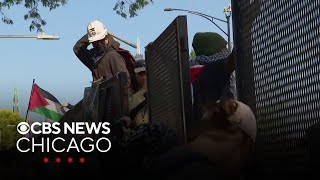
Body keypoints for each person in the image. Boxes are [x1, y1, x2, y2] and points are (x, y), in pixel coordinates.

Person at [73, 20, 130, 84]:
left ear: (106, 37)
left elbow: (125, 83)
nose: (97, 44)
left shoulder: (113, 56)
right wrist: (91, 33)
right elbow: (77, 48)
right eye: (94, 42)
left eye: (99, 40)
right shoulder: (93, 58)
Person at [128, 60, 149, 127]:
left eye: (145, 74)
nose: (144, 77)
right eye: (140, 74)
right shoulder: (131, 92)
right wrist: (143, 90)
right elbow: (130, 107)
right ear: (135, 76)